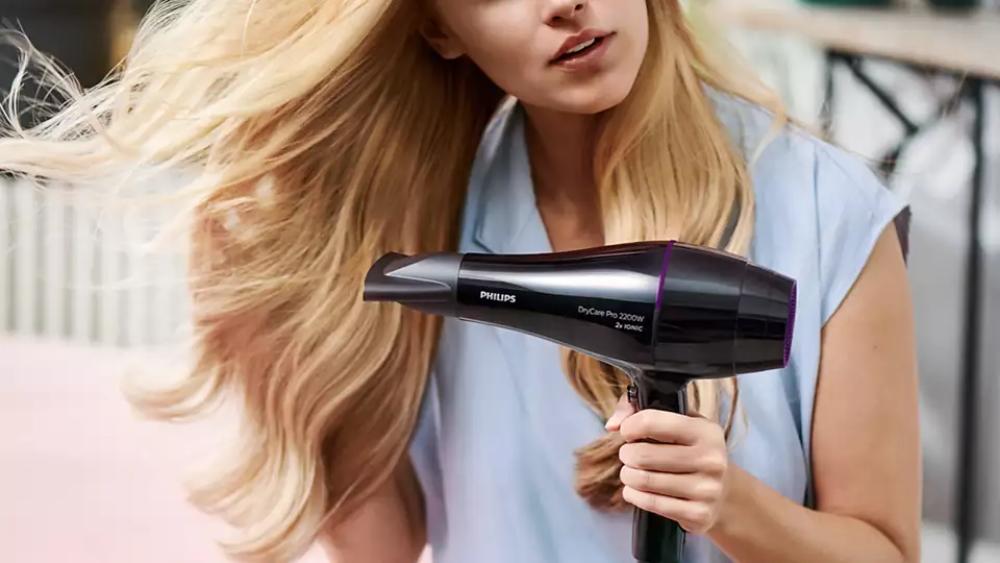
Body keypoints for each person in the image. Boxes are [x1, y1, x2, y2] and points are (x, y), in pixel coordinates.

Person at [0, 0, 921, 562]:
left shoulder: (826, 212)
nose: (565, 5)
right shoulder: (423, 225)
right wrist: (273, 353)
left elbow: (885, 552)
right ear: (439, 27)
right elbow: (386, 548)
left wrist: (731, 506)